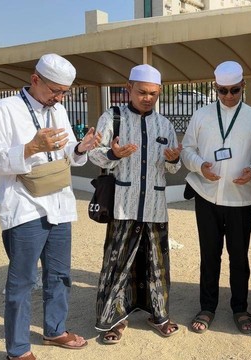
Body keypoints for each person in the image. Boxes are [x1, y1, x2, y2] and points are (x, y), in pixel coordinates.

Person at [0, 53, 101, 360]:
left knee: (60, 274)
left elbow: (69, 154)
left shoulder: (58, 111)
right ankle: (18, 350)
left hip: (58, 202)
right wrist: (31, 147)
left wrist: (81, 147)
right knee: (22, 281)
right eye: (54, 91)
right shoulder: (6, 109)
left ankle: (54, 329)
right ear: (35, 80)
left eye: (64, 92)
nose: (59, 98)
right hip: (23, 206)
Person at [89, 64, 183, 343]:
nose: (147, 98)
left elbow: (173, 169)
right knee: (118, 263)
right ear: (128, 88)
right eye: (142, 92)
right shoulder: (112, 118)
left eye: (153, 94)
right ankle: (114, 320)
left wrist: (173, 160)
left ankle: (159, 314)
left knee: (156, 263)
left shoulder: (164, 124)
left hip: (154, 207)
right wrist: (113, 153)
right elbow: (95, 154)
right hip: (124, 206)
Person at [181, 61, 251, 334]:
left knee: (239, 257)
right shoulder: (201, 115)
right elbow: (187, 149)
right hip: (206, 196)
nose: (229, 96)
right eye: (223, 91)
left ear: (244, 86)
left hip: (240, 199)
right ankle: (207, 307)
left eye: (235, 90)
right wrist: (199, 166)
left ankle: (240, 308)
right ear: (215, 87)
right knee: (209, 255)